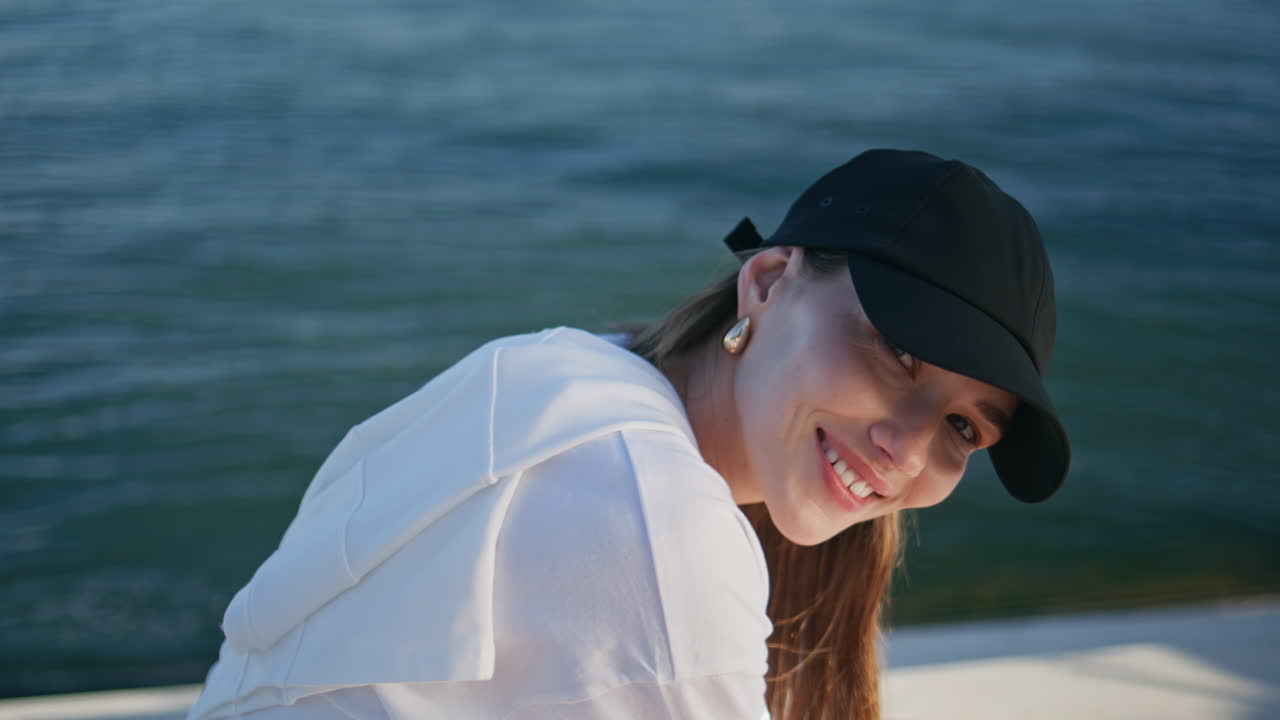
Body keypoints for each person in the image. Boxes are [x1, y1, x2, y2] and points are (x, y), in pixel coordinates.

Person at [187, 149, 1069, 720]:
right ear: (766, 281)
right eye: (901, 353)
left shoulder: (560, 372)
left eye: (962, 427)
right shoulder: (649, 510)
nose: (908, 450)